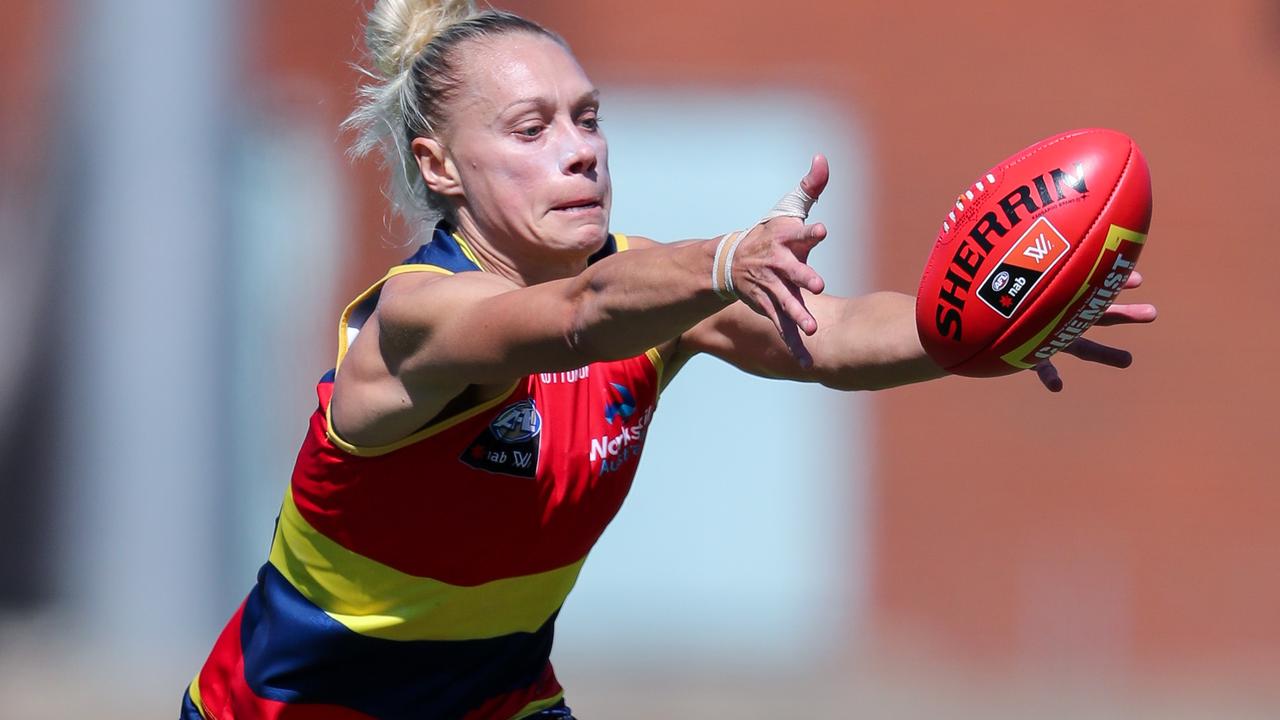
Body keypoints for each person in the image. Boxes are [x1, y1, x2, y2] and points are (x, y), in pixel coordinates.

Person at [179, 1, 1157, 718]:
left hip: (497, 697)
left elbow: (832, 337)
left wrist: (985, 327)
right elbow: (575, 317)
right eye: (532, 129)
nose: (580, 151)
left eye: (587, 116)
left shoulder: (647, 287)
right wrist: (727, 259)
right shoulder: (417, 317)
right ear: (439, 167)